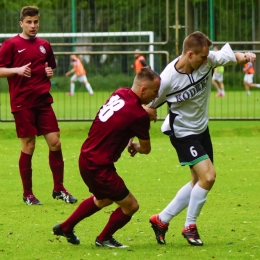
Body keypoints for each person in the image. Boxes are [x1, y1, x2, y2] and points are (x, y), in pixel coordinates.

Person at [148, 31, 257, 246]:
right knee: (208, 177)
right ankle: (190, 225)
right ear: (190, 54)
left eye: (208, 56)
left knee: (198, 182)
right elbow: (147, 104)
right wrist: (145, 117)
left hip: (201, 130)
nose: (207, 60)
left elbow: (230, 57)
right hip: (182, 133)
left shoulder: (207, 61)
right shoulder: (167, 79)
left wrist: (244, 55)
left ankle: (161, 220)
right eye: (202, 57)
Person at [52, 67, 161, 248]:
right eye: (154, 92)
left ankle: (66, 227)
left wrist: (140, 117)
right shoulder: (139, 115)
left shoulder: (119, 93)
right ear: (143, 90)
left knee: (103, 199)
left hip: (87, 157)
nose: (156, 97)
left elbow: (125, 118)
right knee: (131, 206)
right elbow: (146, 148)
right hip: (99, 166)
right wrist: (136, 140)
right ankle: (103, 239)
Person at [0, 6, 77, 205]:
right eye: (29, 22)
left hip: (43, 101)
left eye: (36, 22)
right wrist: (16, 70)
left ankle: (59, 189)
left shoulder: (44, 45)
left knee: (55, 142)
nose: (33, 26)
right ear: (21, 23)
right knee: (29, 145)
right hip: (22, 103)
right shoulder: (10, 44)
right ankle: (28, 194)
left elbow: (48, 67)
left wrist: (49, 73)